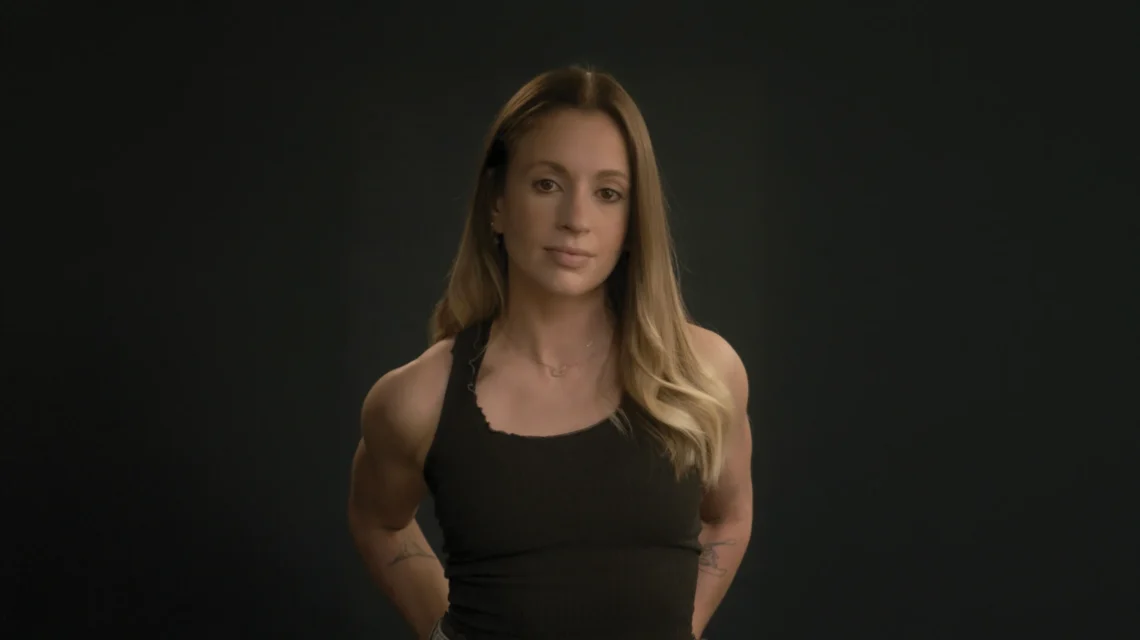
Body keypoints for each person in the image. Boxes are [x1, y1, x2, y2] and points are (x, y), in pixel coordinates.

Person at [347, 66, 753, 640]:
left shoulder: (706, 373)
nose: (576, 221)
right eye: (546, 184)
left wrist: (681, 627)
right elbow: (378, 520)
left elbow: (729, 516)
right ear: (496, 203)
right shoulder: (416, 400)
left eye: (608, 194)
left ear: (633, 223)